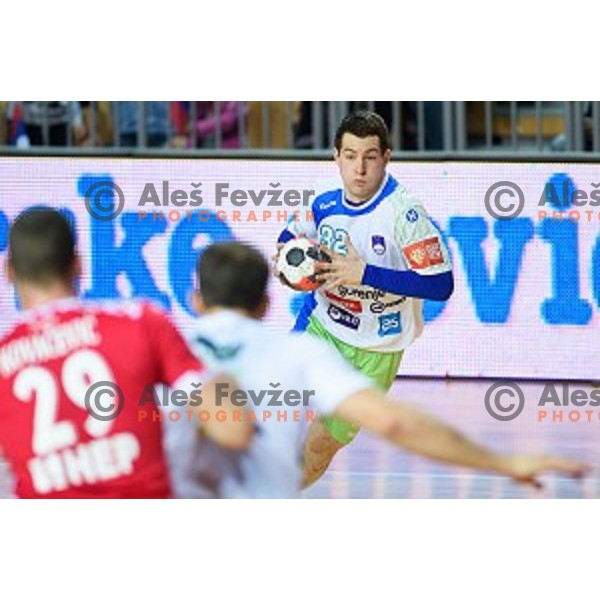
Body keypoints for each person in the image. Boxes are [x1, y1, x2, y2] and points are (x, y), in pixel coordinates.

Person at [171, 241, 588, 498]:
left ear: (196, 300)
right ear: (267, 304)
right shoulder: (298, 353)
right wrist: (505, 463)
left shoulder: (164, 350)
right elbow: (394, 423)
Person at [0, 209, 252, 499]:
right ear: (78, 264)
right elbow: (233, 427)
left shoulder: (4, 357)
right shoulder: (141, 322)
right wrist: (222, 376)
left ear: (9, 271)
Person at [275, 110, 454, 485]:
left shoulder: (404, 215)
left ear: (386, 158)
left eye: (370, 157)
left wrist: (365, 274)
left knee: (321, 444)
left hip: (377, 349)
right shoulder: (324, 203)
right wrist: (288, 260)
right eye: (351, 156)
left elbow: (440, 285)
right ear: (336, 157)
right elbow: (289, 239)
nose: (360, 169)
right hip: (321, 325)